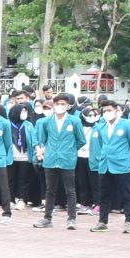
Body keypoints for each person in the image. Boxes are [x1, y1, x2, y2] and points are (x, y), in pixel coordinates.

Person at [34, 94, 85, 228]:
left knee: (70, 190)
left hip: (67, 160)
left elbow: (81, 140)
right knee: (50, 190)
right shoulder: (47, 121)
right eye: (57, 104)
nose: (60, 106)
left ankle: (72, 219)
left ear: (68, 106)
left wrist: (70, 150)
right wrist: (47, 151)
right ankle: (47, 218)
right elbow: (43, 140)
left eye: (63, 104)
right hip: (50, 160)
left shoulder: (74, 121)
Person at [89, 100, 130, 232]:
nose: (106, 113)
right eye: (104, 111)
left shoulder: (127, 124)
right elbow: (101, 144)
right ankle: (102, 221)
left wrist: (127, 158)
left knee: (126, 194)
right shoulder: (102, 126)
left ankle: (128, 222)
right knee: (104, 195)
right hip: (105, 164)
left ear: (117, 110)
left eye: (109, 110)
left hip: (122, 165)